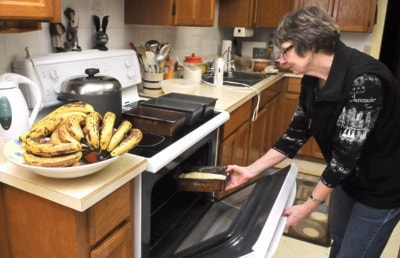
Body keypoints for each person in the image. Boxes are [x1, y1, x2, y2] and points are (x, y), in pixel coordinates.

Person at [225, 6, 400, 258]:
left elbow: (344, 158)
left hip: (381, 187)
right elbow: (294, 135)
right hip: (346, 180)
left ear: (312, 44)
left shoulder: (365, 81)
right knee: (338, 241)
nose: (281, 60)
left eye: (286, 51)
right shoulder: (311, 77)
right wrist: (251, 171)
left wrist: (308, 206)